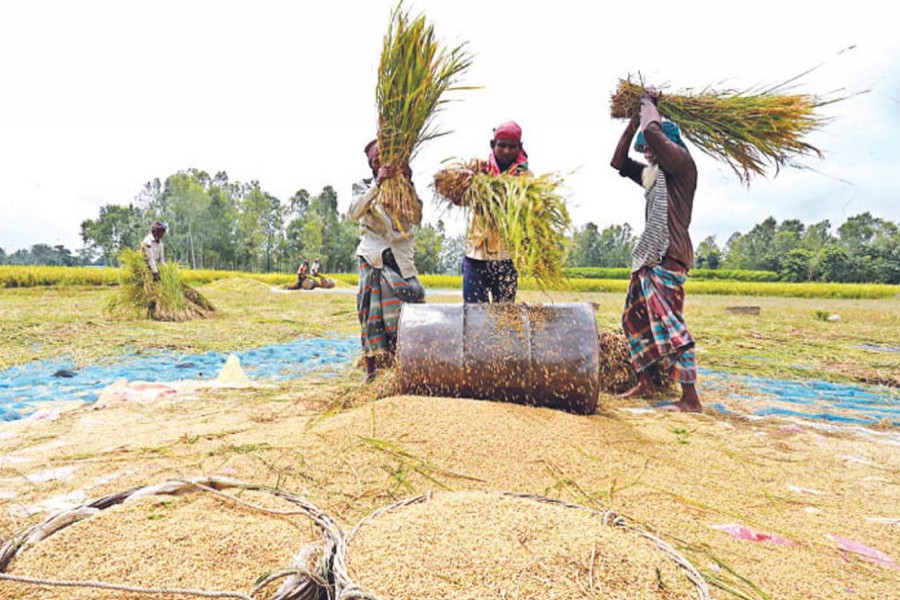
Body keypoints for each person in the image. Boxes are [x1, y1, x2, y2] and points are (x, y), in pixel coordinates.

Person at [610, 89, 701, 412]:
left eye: (653, 149)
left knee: (671, 326)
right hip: (648, 259)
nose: (648, 153)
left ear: (669, 147)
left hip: (669, 257)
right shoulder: (653, 177)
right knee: (633, 320)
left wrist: (648, 103)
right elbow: (618, 162)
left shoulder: (682, 168)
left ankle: (690, 398)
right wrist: (634, 118)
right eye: (646, 151)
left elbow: (653, 131)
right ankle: (647, 382)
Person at [349, 140, 426, 381]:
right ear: (371, 165)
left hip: (400, 257)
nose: (380, 163)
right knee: (369, 311)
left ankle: (402, 365)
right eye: (375, 161)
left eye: (383, 158)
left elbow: (416, 216)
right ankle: (372, 371)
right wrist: (378, 184)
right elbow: (354, 212)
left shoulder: (403, 186)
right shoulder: (362, 186)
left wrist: (409, 183)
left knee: (407, 307)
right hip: (372, 256)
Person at [453, 121, 530, 303]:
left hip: (506, 258)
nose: (506, 151)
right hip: (476, 256)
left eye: (512, 147)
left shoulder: (525, 179)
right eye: (501, 145)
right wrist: (462, 186)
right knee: (473, 317)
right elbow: (457, 199)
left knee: (504, 319)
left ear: (519, 147)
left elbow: (525, 215)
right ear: (492, 145)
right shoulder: (478, 171)